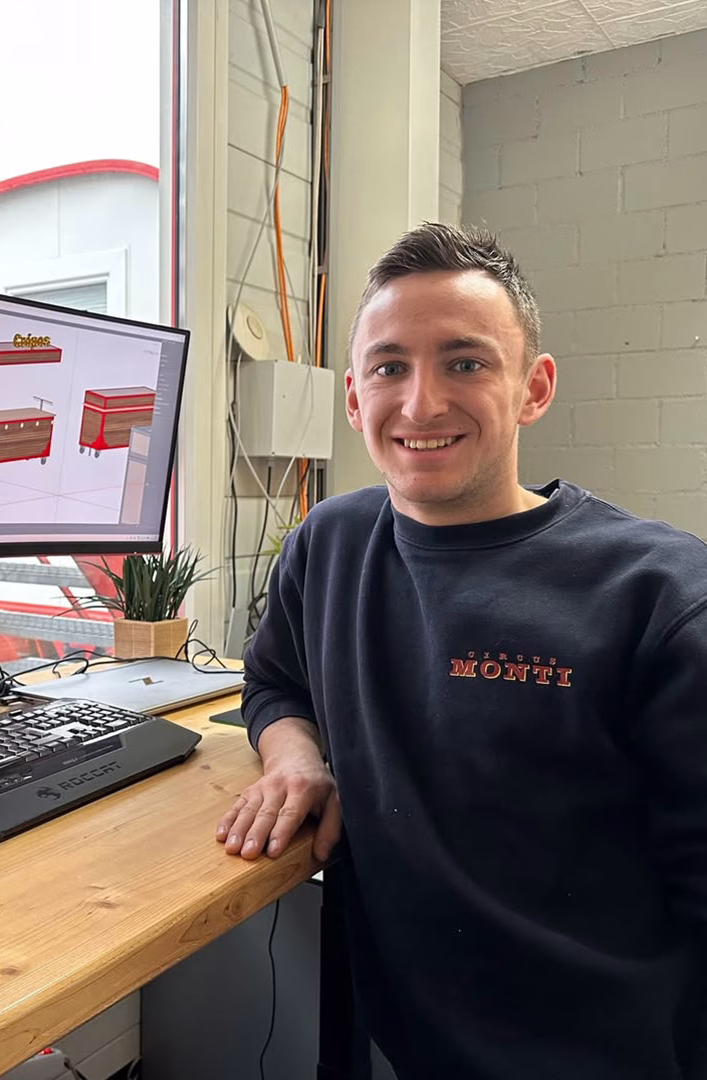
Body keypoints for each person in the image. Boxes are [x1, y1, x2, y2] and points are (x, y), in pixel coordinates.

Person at [216, 222, 707, 1080]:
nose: (421, 405)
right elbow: (274, 681)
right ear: (353, 398)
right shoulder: (327, 545)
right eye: (389, 368)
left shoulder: (659, 595)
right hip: (410, 1043)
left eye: (465, 363)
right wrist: (297, 759)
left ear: (533, 388)